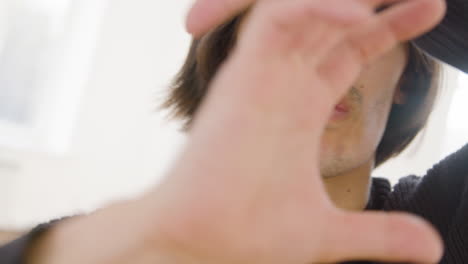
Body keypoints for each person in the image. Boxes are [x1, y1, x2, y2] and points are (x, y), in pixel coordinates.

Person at [0, 0, 465, 263]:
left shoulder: (448, 216)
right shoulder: (113, 246)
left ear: (408, 80)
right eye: (294, 30)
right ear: (226, 71)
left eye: (353, 27)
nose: (320, 59)